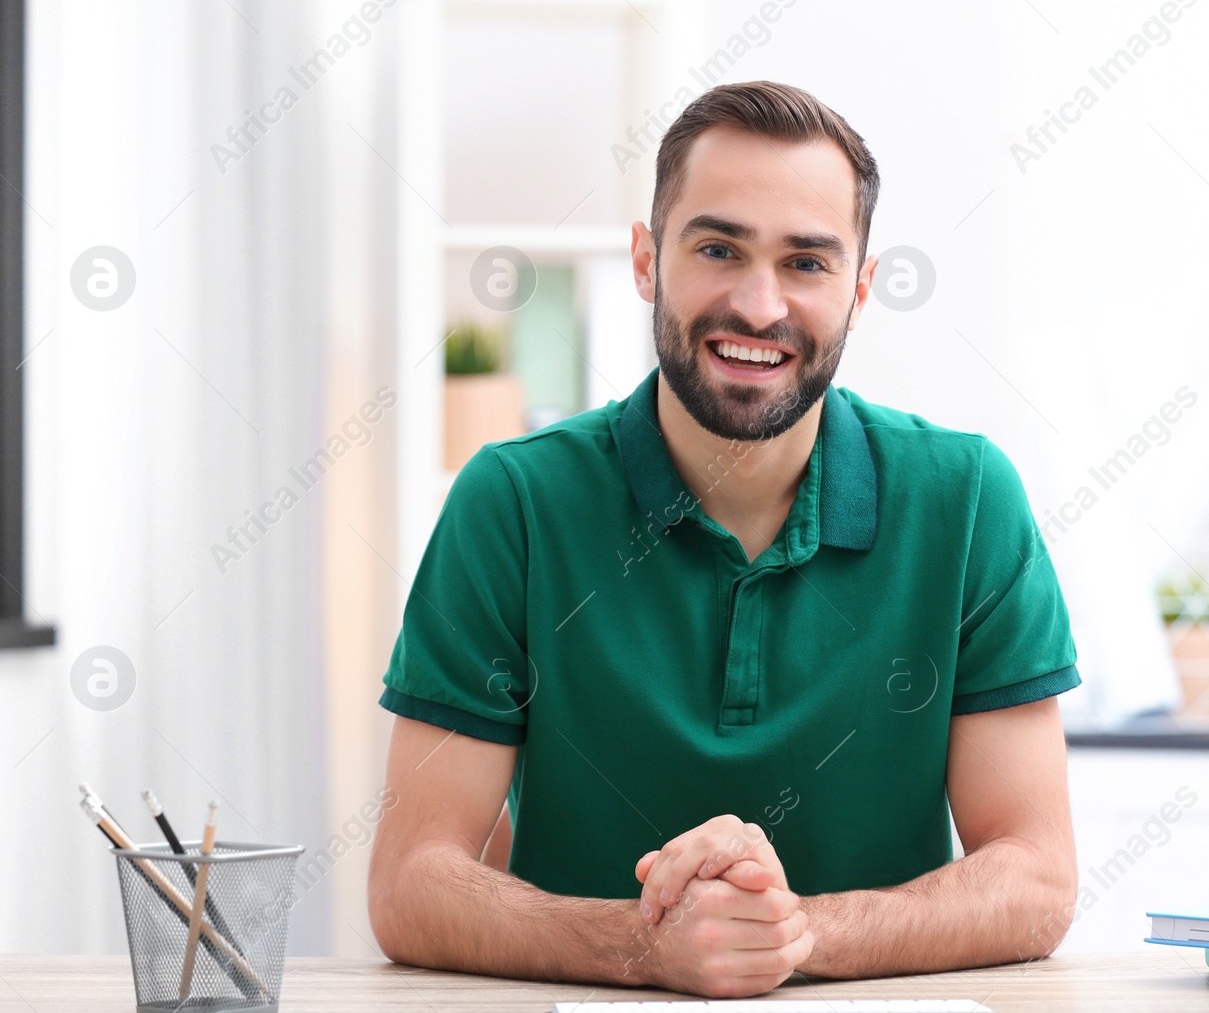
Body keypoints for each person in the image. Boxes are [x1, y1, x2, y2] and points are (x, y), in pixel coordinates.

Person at [368, 80, 1081, 999]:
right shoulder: (511, 503)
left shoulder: (969, 497)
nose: (758, 304)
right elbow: (408, 883)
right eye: (717, 247)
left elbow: (1037, 878)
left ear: (861, 289)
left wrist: (792, 933)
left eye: (807, 264)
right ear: (645, 261)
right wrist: (641, 944)